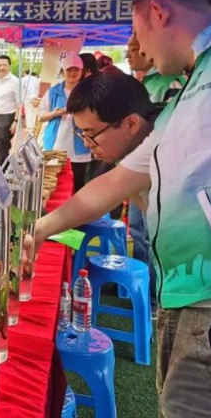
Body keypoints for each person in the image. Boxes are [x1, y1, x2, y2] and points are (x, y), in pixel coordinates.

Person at [34, 0, 211, 417]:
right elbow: (113, 182)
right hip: (191, 308)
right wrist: (37, 231)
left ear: (158, 13)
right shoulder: (187, 93)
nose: (137, 48)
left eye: (138, 33)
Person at [65, 71, 159, 297]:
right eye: (82, 134)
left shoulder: (161, 148)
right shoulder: (133, 152)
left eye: (91, 134)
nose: (88, 144)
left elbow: (102, 192)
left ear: (131, 124)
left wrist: (38, 231)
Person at [40, 52, 92, 191]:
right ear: (63, 71)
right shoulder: (53, 92)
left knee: (77, 185)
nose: (73, 73)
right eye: (69, 69)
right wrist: (54, 113)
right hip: (56, 145)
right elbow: (40, 116)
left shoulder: (88, 92)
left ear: (82, 71)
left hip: (80, 147)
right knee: (55, 187)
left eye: (76, 69)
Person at [126, 32, 186, 103]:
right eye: (127, 51)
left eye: (133, 49)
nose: (127, 56)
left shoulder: (170, 81)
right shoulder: (142, 82)